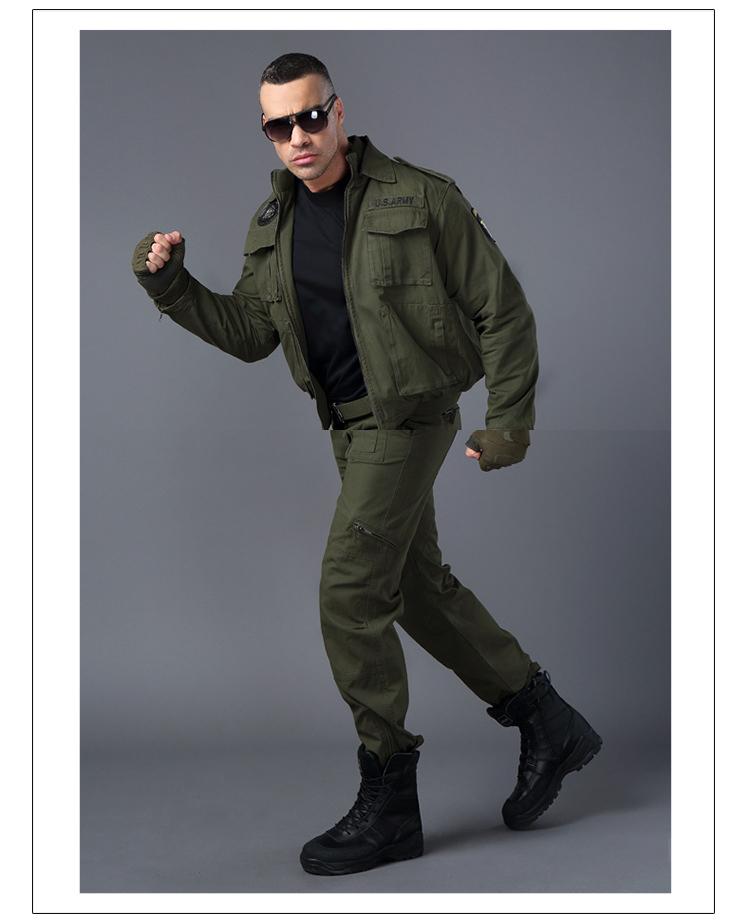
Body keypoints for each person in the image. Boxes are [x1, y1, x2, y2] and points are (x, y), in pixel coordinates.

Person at [132, 52, 601, 877]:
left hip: (409, 419)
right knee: (414, 588)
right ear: (268, 133)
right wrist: (173, 287)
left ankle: (390, 799)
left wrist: (509, 424)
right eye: (279, 126)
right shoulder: (272, 225)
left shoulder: (419, 197)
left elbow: (502, 309)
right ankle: (547, 720)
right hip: (348, 431)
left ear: (339, 112)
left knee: (350, 594)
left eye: (311, 117)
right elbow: (249, 334)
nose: (299, 137)